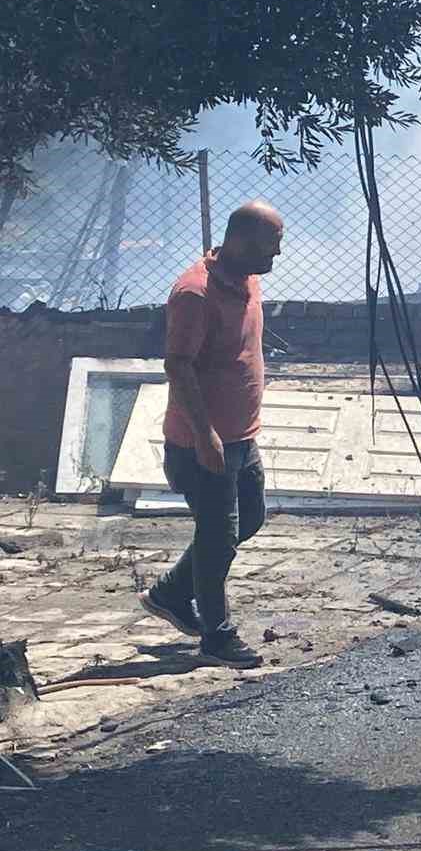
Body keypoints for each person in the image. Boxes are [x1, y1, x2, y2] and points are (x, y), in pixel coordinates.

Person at [137, 202, 284, 669]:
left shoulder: (247, 279)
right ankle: (217, 636)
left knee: (250, 519)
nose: (277, 254)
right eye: (270, 245)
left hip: (242, 437)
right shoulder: (194, 293)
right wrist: (205, 437)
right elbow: (178, 366)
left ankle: (169, 594)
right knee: (218, 538)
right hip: (203, 443)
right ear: (239, 240)